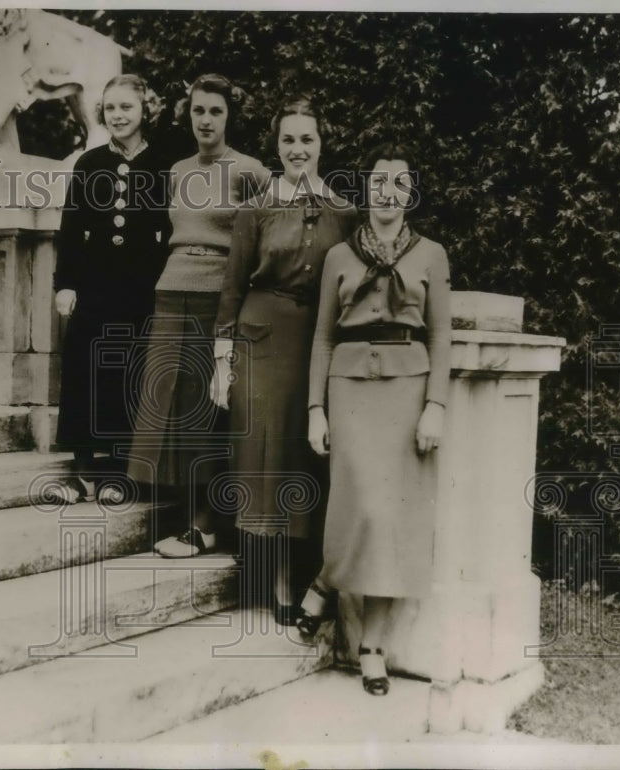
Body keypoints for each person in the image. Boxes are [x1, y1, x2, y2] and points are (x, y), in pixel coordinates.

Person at [300, 142, 451, 695]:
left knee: (392, 517)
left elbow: (441, 334)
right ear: (366, 191)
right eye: (378, 182)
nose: (387, 193)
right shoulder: (341, 257)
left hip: (408, 389)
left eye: (399, 183)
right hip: (349, 387)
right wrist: (315, 408)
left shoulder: (431, 253)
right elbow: (321, 335)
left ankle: (373, 648)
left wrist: (435, 404)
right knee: (357, 503)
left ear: (410, 194)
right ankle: (325, 577)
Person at [209, 98, 357, 624]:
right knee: (263, 451)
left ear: (322, 145)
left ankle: (304, 570)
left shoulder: (343, 211)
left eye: (308, 140)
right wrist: (222, 361)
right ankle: (273, 581)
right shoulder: (257, 206)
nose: (298, 149)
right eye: (289, 140)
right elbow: (231, 287)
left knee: (303, 453)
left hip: (315, 340)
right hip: (260, 335)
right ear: (277, 146)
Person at [127, 74, 271, 557]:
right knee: (172, 404)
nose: (205, 120)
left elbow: (268, 235)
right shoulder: (177, 170)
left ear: (229, 117)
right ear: (186, 115)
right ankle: (187, 513)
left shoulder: (250, 171)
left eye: (215, 111)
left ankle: (206, 524)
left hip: (219, 297)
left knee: (211, 410)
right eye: (197, 111)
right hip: (171, 291)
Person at [49, 74, 170, 504]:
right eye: (111, 108)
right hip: (94, 287)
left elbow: (169, 230)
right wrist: (65, 285)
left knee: (128, 373)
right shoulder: (89, 164)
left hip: (140, 288)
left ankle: (120, 474)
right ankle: (80, 473)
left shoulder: (163, 165)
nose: (118, 115)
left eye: (127, 108)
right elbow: (70, 229)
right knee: (85, 368)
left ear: (145, 112)